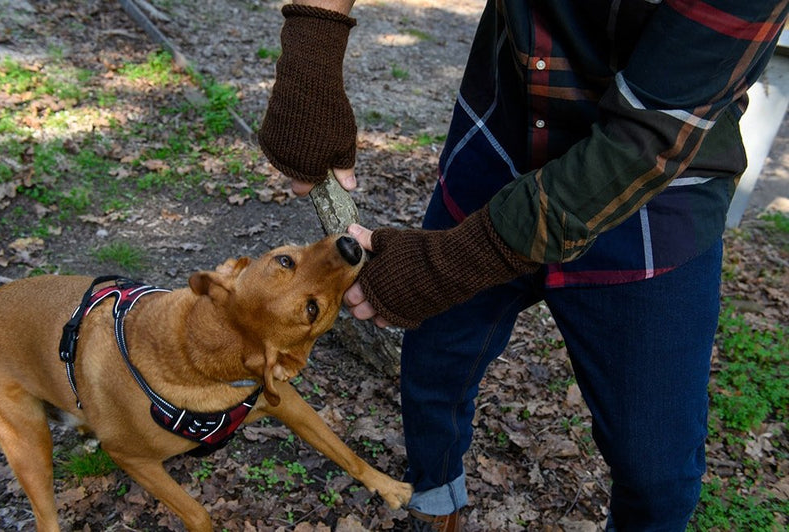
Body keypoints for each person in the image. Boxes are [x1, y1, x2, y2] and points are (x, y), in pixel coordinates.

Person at [258, 1, 789, 530]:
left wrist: (453, 263)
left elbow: (644, 139)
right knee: (436, 358)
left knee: (656, 467)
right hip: (502, 137)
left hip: (657, 192)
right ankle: (435, 503)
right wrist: (313, 45)